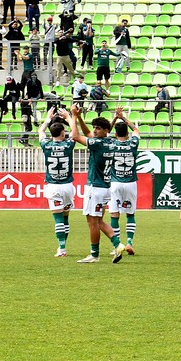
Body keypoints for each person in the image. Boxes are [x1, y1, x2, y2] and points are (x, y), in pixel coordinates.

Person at [68, 106, 125, 264]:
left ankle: (94, 254)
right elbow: (88, 134)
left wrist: (72, 116)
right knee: (98, 221)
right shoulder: (110, 142)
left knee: (92, 222)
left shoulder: (97, 144)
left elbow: (75, 136)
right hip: (105, 186)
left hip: (95, 187)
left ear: (105, 130)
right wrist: (79, 118)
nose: (94, 130)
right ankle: (117, 244)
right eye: (94, 127)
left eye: (98, 128)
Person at [36, 107, 76, 256]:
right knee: (65, 217)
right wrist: (69, 117)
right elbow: (75, 132)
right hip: (68, 186)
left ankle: (62, 248)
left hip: (53, 186)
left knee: (58, 218)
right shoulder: (68, 144)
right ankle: (62, 247)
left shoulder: (46, 145)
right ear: (63, 133)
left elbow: (40, 132)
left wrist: (47, 119)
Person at [107, 108, 140, 256]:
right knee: (130, 213)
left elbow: (105, 133)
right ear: (127, 133)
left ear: (115, 134)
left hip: (115, 183)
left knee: (114, 214)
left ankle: (117, 244)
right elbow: (136, 129)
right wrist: (124, 118)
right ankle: (130, 242)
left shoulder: (111, 144)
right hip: (130, 182)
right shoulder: (133, 143)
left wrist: (115, 118)